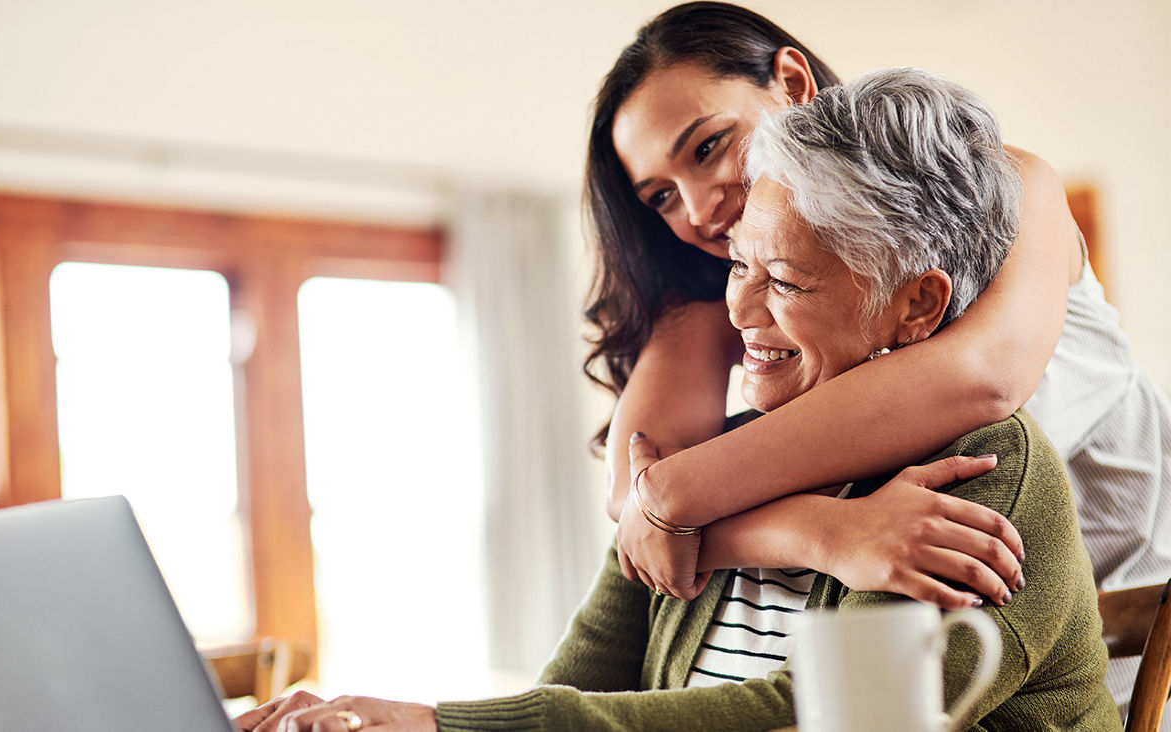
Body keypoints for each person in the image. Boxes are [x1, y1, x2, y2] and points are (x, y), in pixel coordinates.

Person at [235, 67, 1118, 732]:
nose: (739, 312)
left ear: (917, 305)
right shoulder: (731, 454)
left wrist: (444, 727)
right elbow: (581, 677)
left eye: (785, 282)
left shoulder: (983, 473)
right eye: (738, 264)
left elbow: (816, 719)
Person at [589, 2, 1171, 715]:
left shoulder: (1001, 189)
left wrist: (674, 501)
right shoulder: (733, 283)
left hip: (1132, 632)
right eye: (661, 196)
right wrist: (821, 533)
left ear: (793, 83)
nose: (700, 209)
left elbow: (980, 381)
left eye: (709, 147)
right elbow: (635, 499)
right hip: (944, 622)